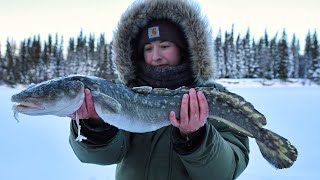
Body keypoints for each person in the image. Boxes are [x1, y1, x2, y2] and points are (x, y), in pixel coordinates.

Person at [69, 0, 249, 179]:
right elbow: (105, 156)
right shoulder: (122, 93)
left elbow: (225, 172)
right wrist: (95, 126)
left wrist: (196, 138)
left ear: (184, 48)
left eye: (164, 46)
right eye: (148, 48)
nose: (156, 56)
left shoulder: (213, 97)